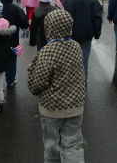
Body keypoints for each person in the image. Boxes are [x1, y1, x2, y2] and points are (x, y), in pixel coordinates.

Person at [28, 10, 86, 163]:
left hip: (52, 108)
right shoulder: (76, 46)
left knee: (52, 145)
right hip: (76, 105)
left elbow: (37, 85)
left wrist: (32, 70)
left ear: (50, 27)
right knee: (73, 143)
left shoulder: (47, 51)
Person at [66, 0, 102, 79]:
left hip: (72, 34)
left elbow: (66, 16)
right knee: (84, 57)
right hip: (87, 34)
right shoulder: (94, 1)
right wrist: (97, 33)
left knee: (72, 58)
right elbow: (98, 19)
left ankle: (72, 78)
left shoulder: (71, 0)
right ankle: (83, 78)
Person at [0, 0, 29, 87]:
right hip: (13, 40)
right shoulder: (16, 9)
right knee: (11, 60)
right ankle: (10, 80)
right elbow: (25, 24)